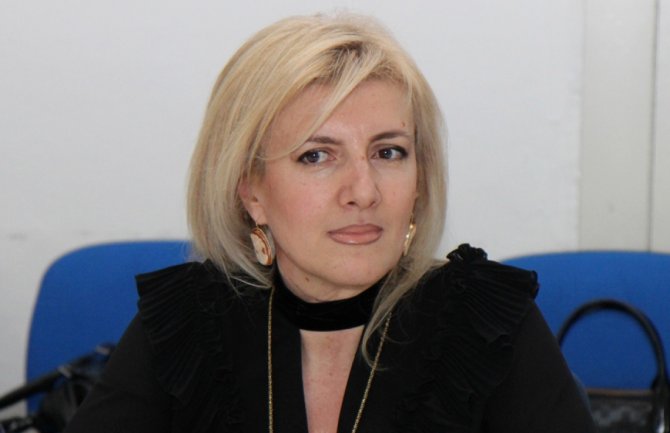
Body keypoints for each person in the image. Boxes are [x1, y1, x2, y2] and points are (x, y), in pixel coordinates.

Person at [64, 13, 596, 433]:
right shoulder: (188, 325)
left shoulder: (484, 325)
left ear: (420, 180)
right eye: (316, 156)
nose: (364, 191)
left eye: (388, 152)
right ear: (251, 191)